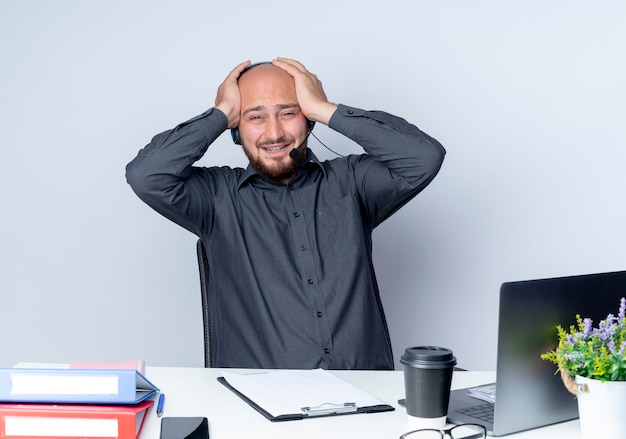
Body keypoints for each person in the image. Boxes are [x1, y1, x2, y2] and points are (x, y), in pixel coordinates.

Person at [126, 57, 446, 370]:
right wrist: (220, 114)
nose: (275, 132)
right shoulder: (215, 198)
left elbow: (423, 158)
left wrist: (324, 108)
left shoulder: (353, 183)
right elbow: (146, 176)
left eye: (288, 112)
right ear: (236, 131)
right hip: (258, 408)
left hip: (367, 401)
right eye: (255, 117)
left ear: (307, 119)